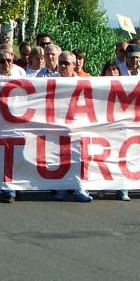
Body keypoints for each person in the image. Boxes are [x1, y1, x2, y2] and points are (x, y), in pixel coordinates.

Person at [51, 52, 93, 203]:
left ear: (74, 65)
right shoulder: (50, 82)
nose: (62, 66)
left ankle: (79, 187)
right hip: (58, 126)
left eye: (66, 63)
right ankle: (61, 187)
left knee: (79, 158)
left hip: (78, 126)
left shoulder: (84, 82)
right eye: (60, 62)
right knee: (59, 157)